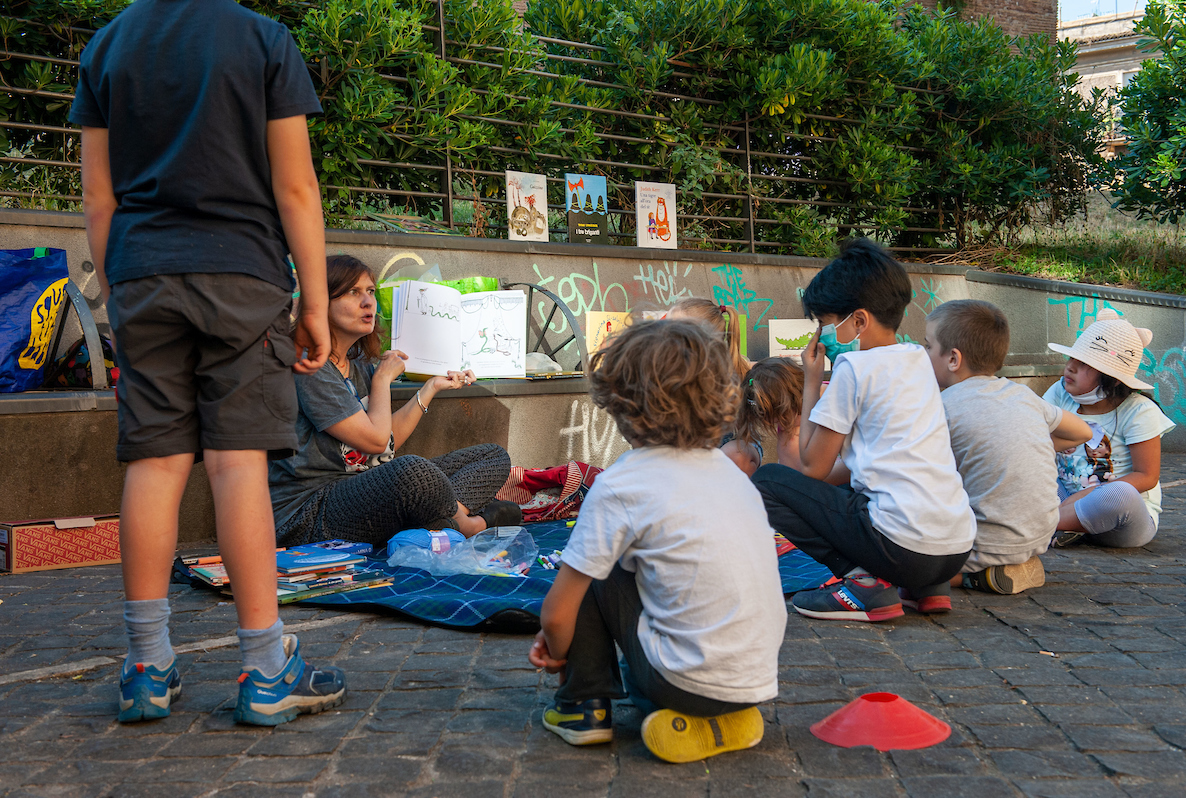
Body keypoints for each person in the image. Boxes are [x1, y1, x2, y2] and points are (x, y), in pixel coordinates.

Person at [72, 0, 345, 725]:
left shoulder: (108, 44)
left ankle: (145, 666)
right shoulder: (263, 40)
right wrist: (314, 301)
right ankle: (264, 670)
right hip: (242, 275)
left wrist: (121, 290)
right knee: (237, 465)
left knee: (154, 464)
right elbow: (296, 188)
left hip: (140, 276)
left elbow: (99, 197)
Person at [529, 320, 786, 764]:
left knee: (593, 565)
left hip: (681, 681)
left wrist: (555, 646)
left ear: (621, 404)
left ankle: (582, 706)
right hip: (755, 680)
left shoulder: (622, 483)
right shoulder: (733, 473)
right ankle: (725, 719)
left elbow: (557, 611)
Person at [750, 238, 976, 620]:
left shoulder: (854, 369)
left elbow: (811, 467)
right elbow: (876, 462)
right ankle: (926, 590)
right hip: (953, 547)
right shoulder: (918, 359)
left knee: (769, 482)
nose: (819, 336)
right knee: (849, 492)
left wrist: (811, 380)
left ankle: (863, 585)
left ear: (858, 321)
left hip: (904, 547)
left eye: (823, 325)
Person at [269, 255, 517, 547]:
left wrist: (430, 389)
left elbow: (385, 443)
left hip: (368, 490)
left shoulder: (358, 365)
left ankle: (437, 520)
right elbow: (375, 442)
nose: (368, 302)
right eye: (353, 292)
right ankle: (467, 525)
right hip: (312, 512)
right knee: (410, 473)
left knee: (492, 456)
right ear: (321, 301)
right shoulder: (309, 366)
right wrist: (382, 380)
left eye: (371, 291)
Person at [924, 300, 1092, 595]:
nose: (922, 355)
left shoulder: (942, 407)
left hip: (983, 544)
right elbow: (1083, 431)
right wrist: (1032, 437)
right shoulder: (1021, 395)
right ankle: (1012, 563)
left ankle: (975, 577)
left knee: (897, 565)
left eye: (927, 346)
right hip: (1040, 536)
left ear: (953, 358)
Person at [1043, 309, 1175, 548]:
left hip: (1120, 521)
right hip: (1064, 499)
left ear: (1112, 379)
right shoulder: (1060, 392)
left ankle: (1042, 525)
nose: (1070, 367)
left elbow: (1147, 476)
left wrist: (1086, 497)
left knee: (1119, 494)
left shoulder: (1138, 411)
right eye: (1072, 358)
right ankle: (1067, 526)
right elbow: (1036, 443)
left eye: (1083, 363)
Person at [665, 298, 761, 475]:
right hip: (688, 450)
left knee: (736, 455)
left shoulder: (735, 369)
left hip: (728, 447)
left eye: (673, 330)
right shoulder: (666, 370)